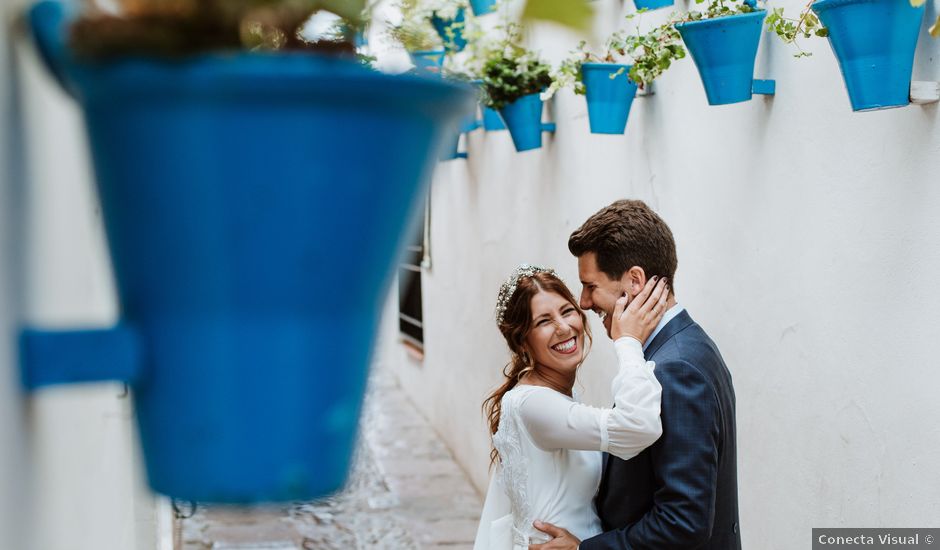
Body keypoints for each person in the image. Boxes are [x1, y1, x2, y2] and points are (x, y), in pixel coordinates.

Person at [532, 199, 741, 550]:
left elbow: (684, 523)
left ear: (634, 281)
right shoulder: (685, 345)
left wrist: (584, 549)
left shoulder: (677, 369)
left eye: (590, 285)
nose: (584, 302)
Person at [473, 264, 670, 550]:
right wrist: (629, 342)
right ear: (522, 342)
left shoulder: (558, 393)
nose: (564, 327)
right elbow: (637, 427)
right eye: (543, 321)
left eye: (567, 311)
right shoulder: (535, 403)